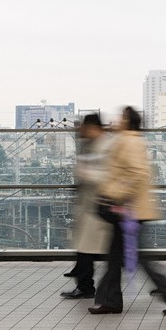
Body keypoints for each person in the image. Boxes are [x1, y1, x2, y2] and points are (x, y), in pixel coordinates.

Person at [89, 107, 166, 315]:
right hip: (127, 209)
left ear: (128, 121)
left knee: (137, 258)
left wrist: (118, 194)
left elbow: (137, 173)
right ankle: (110, 300)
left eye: (121, 117)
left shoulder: (130, 141)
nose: (117, 119)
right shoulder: (127, 139)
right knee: (115, 257)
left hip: (128, 209)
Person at [60, 114, 114, 299]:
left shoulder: (105, 146)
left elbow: (106, 174)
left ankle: (87, 287)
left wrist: (86, 173)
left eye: (85, 128)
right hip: (92, 205)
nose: (83, 132)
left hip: (98, 204)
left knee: (88, 248)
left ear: (93, 127)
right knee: (87, 249)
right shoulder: (96, 144)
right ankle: (87, 285)